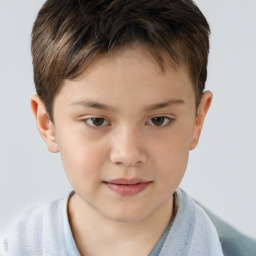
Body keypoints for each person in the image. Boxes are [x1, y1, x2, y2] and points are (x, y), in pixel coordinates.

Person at [0, 0, 252, 255]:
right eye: (96, 121)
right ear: (47, 124)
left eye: (158, 120)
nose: (128, 154)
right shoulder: (16, 247)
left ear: (197, 120)